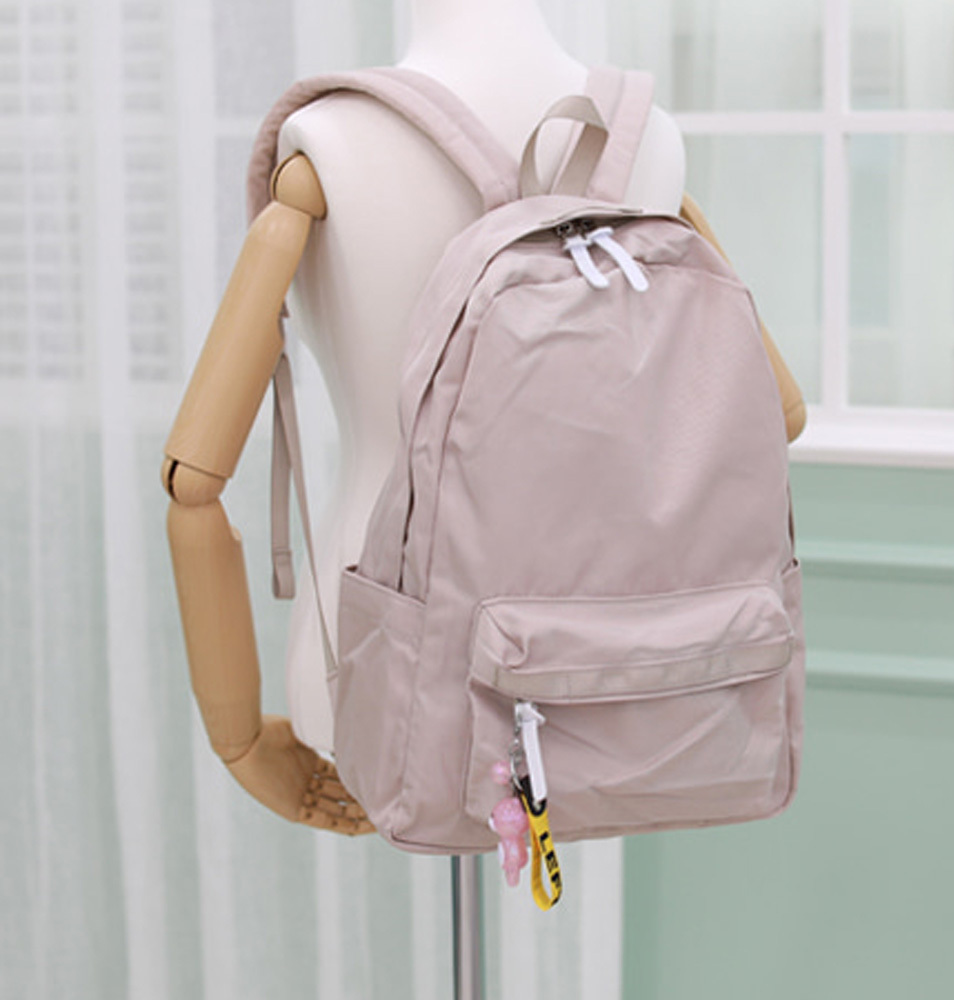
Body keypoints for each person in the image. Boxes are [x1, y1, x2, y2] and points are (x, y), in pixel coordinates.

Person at [162, 0, 806, 832]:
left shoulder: (333, 141)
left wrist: (241, 740)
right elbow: (780, 415)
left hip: (396, 625)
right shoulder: (644, 138)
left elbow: (195, 484)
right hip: (648, 670)